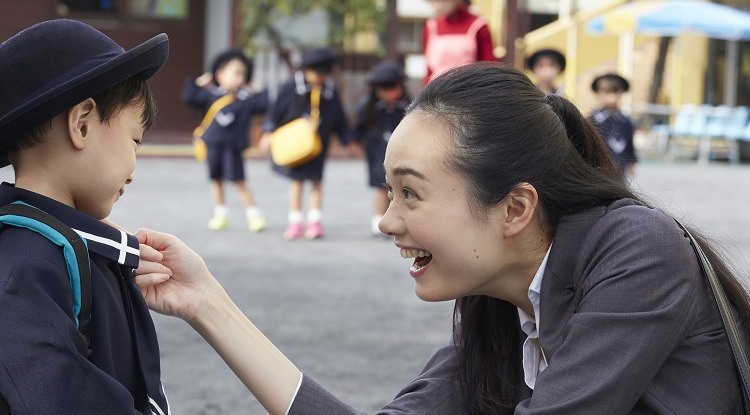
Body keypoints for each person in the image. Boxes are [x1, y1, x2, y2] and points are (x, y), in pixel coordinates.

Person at [135, 63, 750, 414]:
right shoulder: (500, 306)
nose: (386, 220)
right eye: (389, 191)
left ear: (514, 207)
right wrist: (206, 303)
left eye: (410, 192)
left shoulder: (637, 250)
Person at [0, 19, 171, 413]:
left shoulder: (66, 247)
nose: (133, 167)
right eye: (134, 140)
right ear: (81, 123)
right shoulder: (28, 262)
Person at [259, 47, 350, 240]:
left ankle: (315, 221)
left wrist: (347, 139)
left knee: (317, 180)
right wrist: (267, 131)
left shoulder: (329, 90)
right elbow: (274, 112)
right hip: (296, 144)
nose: (320, 77)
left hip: (318, 143)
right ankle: (295, 221)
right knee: (297, 181)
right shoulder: (290, 88)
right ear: (306, 69)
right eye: (317, 72)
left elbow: (339, 118)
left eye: (325, 73)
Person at [181, 49, 268, 232]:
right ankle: (220, 214)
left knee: (239, 181)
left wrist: (259, 90)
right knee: (216, 179)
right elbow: (189, 97)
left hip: (233, 147)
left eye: (243, 74)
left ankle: (254, 215)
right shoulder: (210, 95)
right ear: (219, 74)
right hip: (213, 145)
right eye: (236, 73)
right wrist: (196, 83)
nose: (240, 78)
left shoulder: (244, 100)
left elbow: (263, 106)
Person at [352, 60, 410, 236]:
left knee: (402, 186)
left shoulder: (407, 106)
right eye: (384, 88)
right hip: (377, 151)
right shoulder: (369, 107)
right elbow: (358, 128)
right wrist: (354, 143)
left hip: (403, 152)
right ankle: (377, 219)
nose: (389, 93)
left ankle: (400, 220)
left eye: (393, 87)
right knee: (381, 185)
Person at [422, 0, 495, 84]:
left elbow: (488, 64)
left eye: (441, 1)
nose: (437, 6)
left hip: (468, 88)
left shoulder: (478, 24)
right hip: (436, 89)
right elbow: (429, 68)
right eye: (432, 2)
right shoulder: (431, 26)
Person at [589, 73, 638, 177]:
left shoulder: (625, 120)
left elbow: (629, 143)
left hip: (620, 166)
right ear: (598, 93)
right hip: (598, 167)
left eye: (615, 92)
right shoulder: (592, 120)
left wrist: (632, 161)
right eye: (606, 92)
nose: (611, 97)